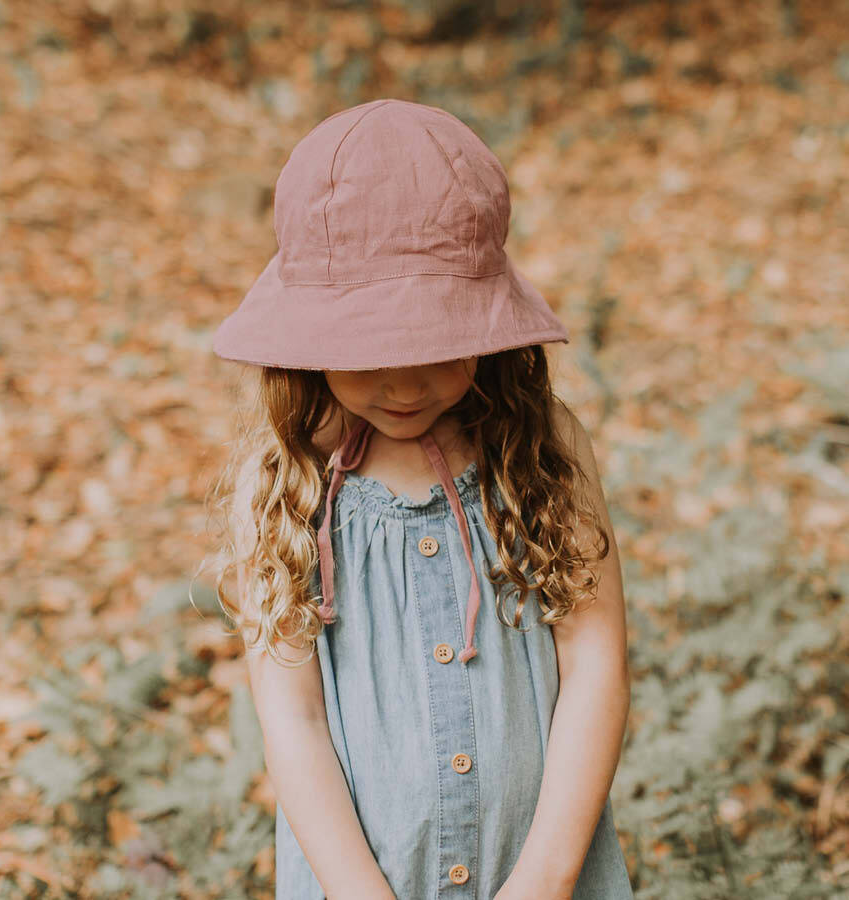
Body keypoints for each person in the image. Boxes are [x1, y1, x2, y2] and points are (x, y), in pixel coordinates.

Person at [202, 98, 634, 899]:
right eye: (369, 351)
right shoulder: (284, 480)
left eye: (435, 342)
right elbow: (291, 720)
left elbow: (597, 663)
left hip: (540, 868)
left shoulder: (541, 450)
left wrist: (544, 879)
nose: (404, 382)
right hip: (364, 879)